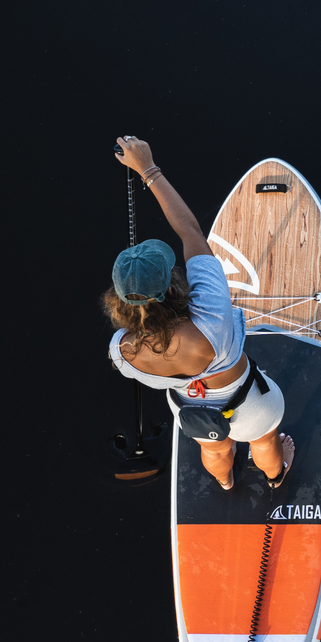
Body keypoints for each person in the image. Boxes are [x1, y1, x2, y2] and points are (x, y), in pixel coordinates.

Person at [104, 135, 293, 490]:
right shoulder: (210, 319)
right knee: (265, 441)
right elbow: (189, 230)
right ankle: (275, 476)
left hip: (190, 410)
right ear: (169, 288)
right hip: (249, 405)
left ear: (119, 300)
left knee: (214, 449)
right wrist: (148, 169)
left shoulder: (121, 350)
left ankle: (225, 481)